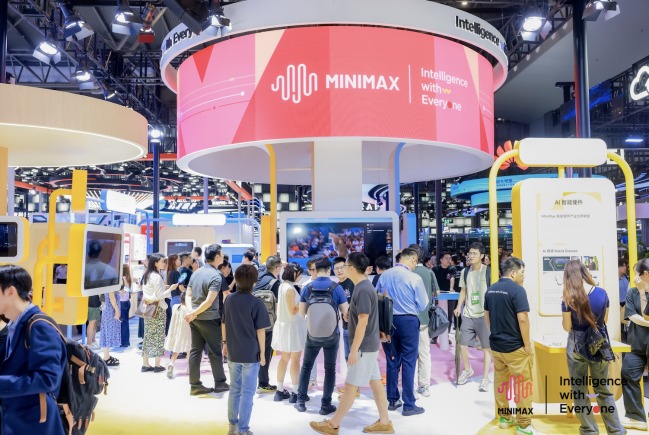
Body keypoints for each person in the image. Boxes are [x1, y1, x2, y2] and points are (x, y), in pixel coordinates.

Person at [309, 253, 394, 435]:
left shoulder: (362, 289)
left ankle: (333, 424)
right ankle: (385, 421)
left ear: (353, 269)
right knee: (375, 383)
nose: (343, 269)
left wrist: (354, 350)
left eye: (346, 266)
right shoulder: (363, 287)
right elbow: (362, 316)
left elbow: (363, 321)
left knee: (350, 386)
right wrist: (350, 315)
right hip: (368, 345)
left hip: (363, 346)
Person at [559, 259, 625, 435]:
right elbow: (603, 321)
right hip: (598, 345)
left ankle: (589, 430)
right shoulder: (602, 293)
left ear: (568, 276)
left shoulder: (568, 297)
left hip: (576, 344)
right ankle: (616, 430)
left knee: (579, 390)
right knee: (603, 389)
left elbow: (567, 327)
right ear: (584, 272)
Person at [0, 265, 67, 435]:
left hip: (36, 423)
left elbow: (47, 379)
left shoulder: (39, 326)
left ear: (10, 291)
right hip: (18, 419)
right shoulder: (15, 325)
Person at [484, 257, 537, 435]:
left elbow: (486, 316)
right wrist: (527, 345)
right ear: (513, 273)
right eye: (522, 272)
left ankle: (505, 418)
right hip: (516, 348)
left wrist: (495, 334)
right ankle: (524, 425)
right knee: (523, 386)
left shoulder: (490, 290)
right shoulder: (518, 290)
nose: (523, 276)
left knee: (501, 383)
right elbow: (523, 319)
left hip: (496, 346)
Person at [376, 248, 428, 416]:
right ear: (413, 260)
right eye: (416, 262)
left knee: (392, 360)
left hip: (388, 322)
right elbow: (423, 304)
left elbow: (378, 297)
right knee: (408, 362)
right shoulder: (414, 278)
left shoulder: (384, 275)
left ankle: (392, 400)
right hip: (408, 322)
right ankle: (409, 404)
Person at [295, 258, 349, 415]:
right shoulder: (336, 288)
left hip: (312, 335)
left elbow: (302, 313)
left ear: (315, 270)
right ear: (329, 270)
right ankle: (325, 405)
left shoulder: (307, 288)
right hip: (332, 335)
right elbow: (345, 311)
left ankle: (300, 400)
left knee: (306, 366)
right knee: (330, 369)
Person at [223, 264, 270, 435]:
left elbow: (224, 323)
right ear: (254, 281)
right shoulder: (256, 303)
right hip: (251, 353)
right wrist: (263, 354)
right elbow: (260, 331)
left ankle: (232, 426)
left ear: (236, 279)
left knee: (234, 389)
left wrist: (224, 343)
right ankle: (243, 429)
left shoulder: (229, 299)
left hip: (233, 352)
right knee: (247, 393)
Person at [185, 243, 229, 395]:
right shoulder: (216, 275)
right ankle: (220, 383)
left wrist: (191, 312)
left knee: (195, 351)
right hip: (209, 319)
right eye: (221, 254)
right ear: (216, 256)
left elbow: (188, 294)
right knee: (215, 352)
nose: (222, 257)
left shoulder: (196, 273)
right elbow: (209, 301)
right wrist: (193, 312)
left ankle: (195, 385)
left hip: (195, 319)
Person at [454, 242, 492, 392]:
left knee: (486, 348)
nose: (470, 256)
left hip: (484, 315)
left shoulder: (488, 271)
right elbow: (463, 291)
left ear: (482, 256)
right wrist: (459, 306)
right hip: (468, 314)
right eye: (470, 253)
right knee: (462, 344)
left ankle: (485, 378)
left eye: (474, 253)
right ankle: (468, 369)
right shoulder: (465, 271)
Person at [271, 263, 307, 402]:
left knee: (284, 359)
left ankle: (280, 390)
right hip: (293, 328)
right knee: (295, 360)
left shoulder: (282, 286)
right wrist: (304, 301)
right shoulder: (290, 289)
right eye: (300, 274)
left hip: (286, 327)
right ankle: (296, 393)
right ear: (294, 273)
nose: (301, 276)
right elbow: (293, 310)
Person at [621, 258, 649, 430]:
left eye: (636, 274)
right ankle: (636, 416)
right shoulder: (633, 292)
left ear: (644, 274)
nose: (634, 277)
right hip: (637, 343)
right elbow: (633, 316)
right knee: (627, 373)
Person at [409, 244, 439, 398]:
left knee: (409, 355)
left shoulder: (407, 272)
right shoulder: (429, 272)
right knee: (424, 353)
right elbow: (436, 292)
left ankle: (411, 387)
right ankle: (424, 386)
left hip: (408, 319)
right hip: (424, 319)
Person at [254, 255, 283, 394]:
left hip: (252, 322)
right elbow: (278, 305)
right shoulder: (275, 283)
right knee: (265, 353)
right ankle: (263, 383)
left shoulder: (258, 278)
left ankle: (252, 381)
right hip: (268, 324)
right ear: (277, 268)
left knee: (254, 352)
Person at [140, 253, 171, 373]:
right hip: (158, 309)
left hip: (148, 308)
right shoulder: (157, 277)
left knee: (148, 335)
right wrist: (170, 289)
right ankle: (157, 365)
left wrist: (164, 287)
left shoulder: (147, 275)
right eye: (162, 261)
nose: (164, 263)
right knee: (159, 336)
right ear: (156, 263)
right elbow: (159, 295)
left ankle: (145, 363)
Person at [164, 290, 192, 379]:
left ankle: (171, 364)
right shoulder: (189, 310)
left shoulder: (175, 307)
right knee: (189, 349)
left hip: (176, 332)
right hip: (186, 332)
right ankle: (190, 367)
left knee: (176, 350)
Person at [333, 257, 355, 363]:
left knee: (357, 358)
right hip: (346, 327)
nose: (339, 270)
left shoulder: (353, 282)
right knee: (348, 358)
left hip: (356, 327)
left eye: (342, 267)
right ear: (333, 271)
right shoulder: (337, 287)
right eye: (336, 268)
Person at [433, 251, 457, 333]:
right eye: (446, 258)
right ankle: (436, 335)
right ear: (441, 260)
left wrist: (451, 288)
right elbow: (433, 281)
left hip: (449, 295)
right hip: (438, 295)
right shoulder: (435, 269)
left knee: (449, 315)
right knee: (437, 315)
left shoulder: (452, 268)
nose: (449, 260)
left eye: (450, 258)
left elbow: (452, 278)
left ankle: (447, 334)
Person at [100, 280, 122, 367]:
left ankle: (106, 356)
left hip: (107, 310)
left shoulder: (106, 281)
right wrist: (116, 309)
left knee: (106, 333)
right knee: (109, 332)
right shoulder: (111, 281)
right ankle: (106, 357)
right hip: (110, 310)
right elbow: (111, 295)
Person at [119, 264, 132, 347]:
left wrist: (119, 292)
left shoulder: (124, 278)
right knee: (125, 322)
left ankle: (124, 342)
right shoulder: (128, 278)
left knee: (123, 323)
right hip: (126, 302)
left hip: (122, 302)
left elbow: (127, 289)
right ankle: (124, 341)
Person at [619, 258, 629, 343]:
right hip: (618, 304)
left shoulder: (625, 277)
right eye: (624, 266)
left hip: (626, 304)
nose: (625, 268)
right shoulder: (613, 279)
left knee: (626, 324)